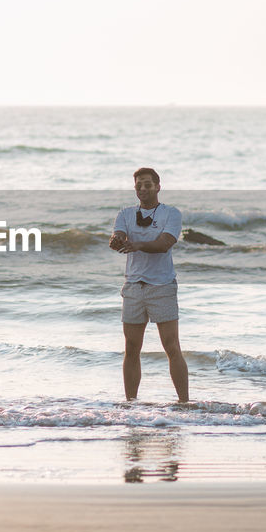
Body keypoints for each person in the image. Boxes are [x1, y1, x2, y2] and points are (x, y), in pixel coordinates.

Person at [109, 167, 189, 402]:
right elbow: (118, 235)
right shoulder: (125, 213)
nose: (142, 189)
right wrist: (116, 241)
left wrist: (138, 245)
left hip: (162, 286)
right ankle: (131, 403)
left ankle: (184, 402)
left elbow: (165, 243)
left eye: (147, 184)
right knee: (132, 347)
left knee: (171, 346)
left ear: (157, 186)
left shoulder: (171, 214)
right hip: (134, 286)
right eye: (138, 185)